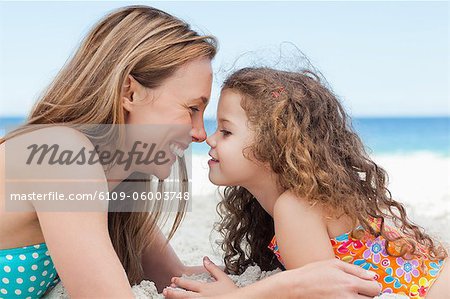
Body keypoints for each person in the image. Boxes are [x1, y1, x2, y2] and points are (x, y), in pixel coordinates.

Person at [0, 6, 381, 299]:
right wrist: (285, 288)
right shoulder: (59, 154)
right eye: (191, 109)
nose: (200, 134)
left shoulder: (114, 181)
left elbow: (177, 281)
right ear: (129, 93)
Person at [168, 67, 449, 298]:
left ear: (273, 145)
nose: (209, 138)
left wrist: (236, 296)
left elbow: (325, 292)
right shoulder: (294, 201)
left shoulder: (295, 206)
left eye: (226, 131)